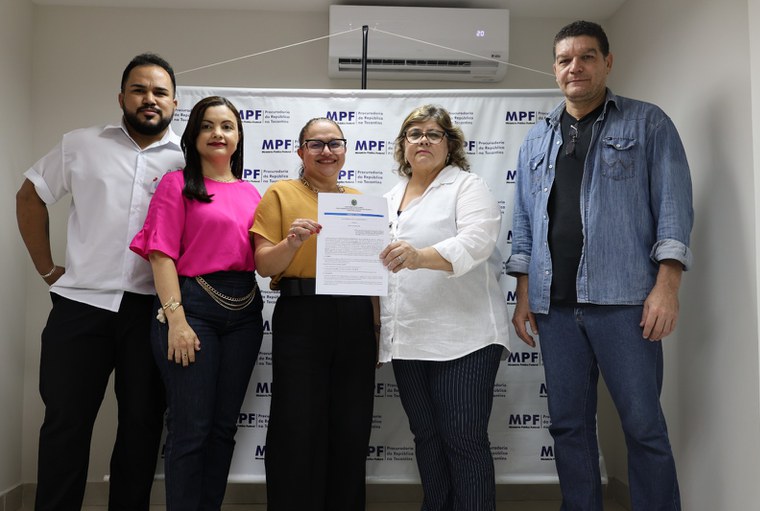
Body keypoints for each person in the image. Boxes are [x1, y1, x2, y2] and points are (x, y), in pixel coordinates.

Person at [506, 20, 693, 511]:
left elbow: (673, 208)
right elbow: (524, 221)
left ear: (607, 63)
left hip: (626, 302)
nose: (576, 67)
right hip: (555, 308)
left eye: (587, 57)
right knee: (568, 426)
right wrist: (525, 293)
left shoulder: (647, 123)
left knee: (643, 426)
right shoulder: (536, 140)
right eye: (566, 59)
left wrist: (666, 287)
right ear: (554, 70)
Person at [15, 53, 182, 511]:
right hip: (81, 308)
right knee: (66, 423)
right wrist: (48, 268)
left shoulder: (187, 158)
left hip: (151, 312)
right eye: (139, 90)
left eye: (160, 92)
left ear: (174, 101)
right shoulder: (80, 144)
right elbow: (30, 194)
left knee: (143, 425)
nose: (150, 99)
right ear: (122, 97)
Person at [130, 95, 263, 510]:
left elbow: (262, 258)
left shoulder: (250, 192)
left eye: (226, 126)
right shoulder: (177, 184)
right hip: (191, 308)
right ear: (194, 135)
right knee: (191, 429)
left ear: (238, 137)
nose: (217, 134)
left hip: (244, 313)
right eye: (207, 126)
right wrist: (177, 321)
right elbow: (161, 253)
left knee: (223, 429)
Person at [377, 104, 512, 510]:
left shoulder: (467, 187)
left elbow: (476, 243)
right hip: (408, 338)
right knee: (427, 438)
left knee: (464, 440)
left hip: (465, 337)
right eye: (413, 133)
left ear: (450, 145)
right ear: (402, 146)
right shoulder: (386, 199)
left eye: (433, 134)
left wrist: (419, 257)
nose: (422, 140)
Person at [250, 117, 377, 511]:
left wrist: (375, 326)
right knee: (297, 425)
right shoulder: (280, 193)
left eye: (334, 144)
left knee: (352, 426)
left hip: (355, 317)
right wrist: (291, 242)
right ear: (300, 151)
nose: (327, 151)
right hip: (303, 314)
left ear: (345, 150)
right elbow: (264, 265)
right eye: (316, 144)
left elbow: (371, 275)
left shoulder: (360, 199)